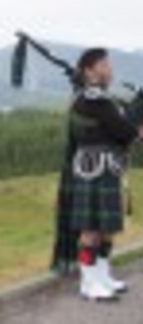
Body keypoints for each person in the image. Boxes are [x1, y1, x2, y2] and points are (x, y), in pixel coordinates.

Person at [51, 48, 143, 301]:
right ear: (89, 71)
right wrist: (136, 131)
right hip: (94, 171)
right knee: (91, 229)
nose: (109, 70)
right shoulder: (94, 99)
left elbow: (120, 127)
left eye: (108, 64)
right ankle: (89, 282)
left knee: (106, 228)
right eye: (103, 65)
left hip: (106, 167)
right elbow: (123, 130)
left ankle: (102, 275)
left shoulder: (100, 98)